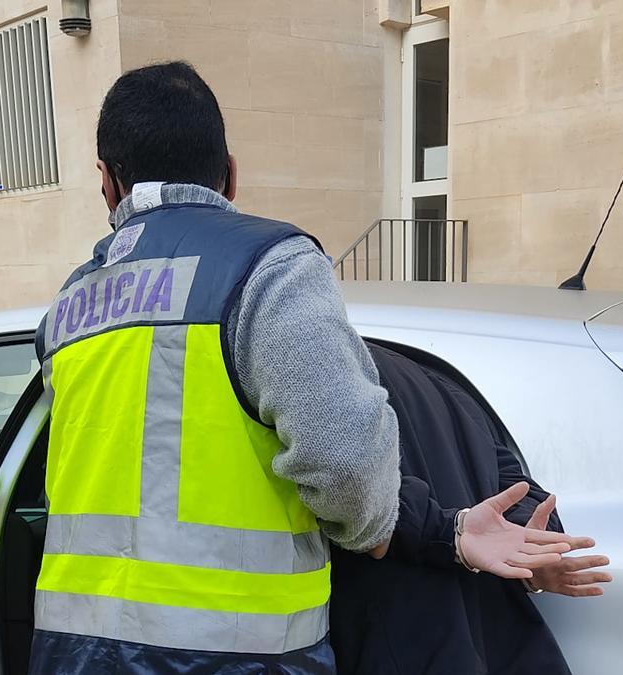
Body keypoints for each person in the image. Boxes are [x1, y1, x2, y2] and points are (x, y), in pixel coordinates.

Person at [27, 61, 405, 674]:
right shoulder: (271, 268)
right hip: (238, 658)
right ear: (230, 173)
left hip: (74, 654)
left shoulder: (68, 306)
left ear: (107, 181)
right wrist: (374, 531)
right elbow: (346, 464)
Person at [330, 343, 612, 675]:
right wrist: (529, 546)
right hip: (507, 654)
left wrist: (470, 537)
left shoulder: (320, 376)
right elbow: (518, 488)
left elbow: (351, 485)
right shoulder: (438, 383)